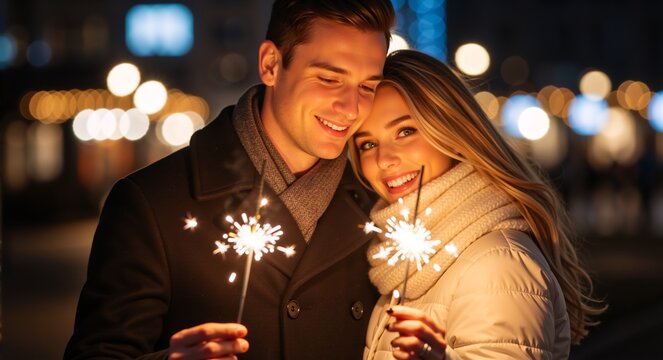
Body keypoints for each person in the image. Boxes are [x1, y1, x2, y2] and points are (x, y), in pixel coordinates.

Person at [64, 1, 395, 359]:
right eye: (329, 79)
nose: (350, 108)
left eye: (366, 87)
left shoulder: (381, 208)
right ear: (271, 64)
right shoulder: (152, 203)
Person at [349, 50, 605, 359]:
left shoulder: (498, 263)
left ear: (451, 129)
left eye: (405, 131)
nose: (383, 160)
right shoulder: (406, 261)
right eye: (367, 144)